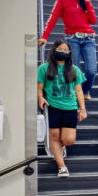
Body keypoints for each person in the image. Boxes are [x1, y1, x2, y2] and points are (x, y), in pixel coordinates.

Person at [41, 0, 98, 96]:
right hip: (72, 38)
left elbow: (93, 20)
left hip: (89, 38)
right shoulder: (62, 0)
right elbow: (52, 18)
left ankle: (85, 91)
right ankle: (78, 95)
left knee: (91, 71)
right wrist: (44, 36)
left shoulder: (84, 2)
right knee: (74, 69)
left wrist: (87, 1)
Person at [37, 40, 86, 177]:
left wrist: (82, 109)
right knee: (54, 136)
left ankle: (61, 147)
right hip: (52, 106)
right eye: (60, 49)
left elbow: (79, 91)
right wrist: (40, 98)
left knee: (69, 139)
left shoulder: (74, 69)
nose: (63, 52)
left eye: (66, 50)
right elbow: (39, 87)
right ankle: (62, 167)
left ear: (69, 53)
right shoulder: (43, 68)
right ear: (54, 50)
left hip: (70, 107)